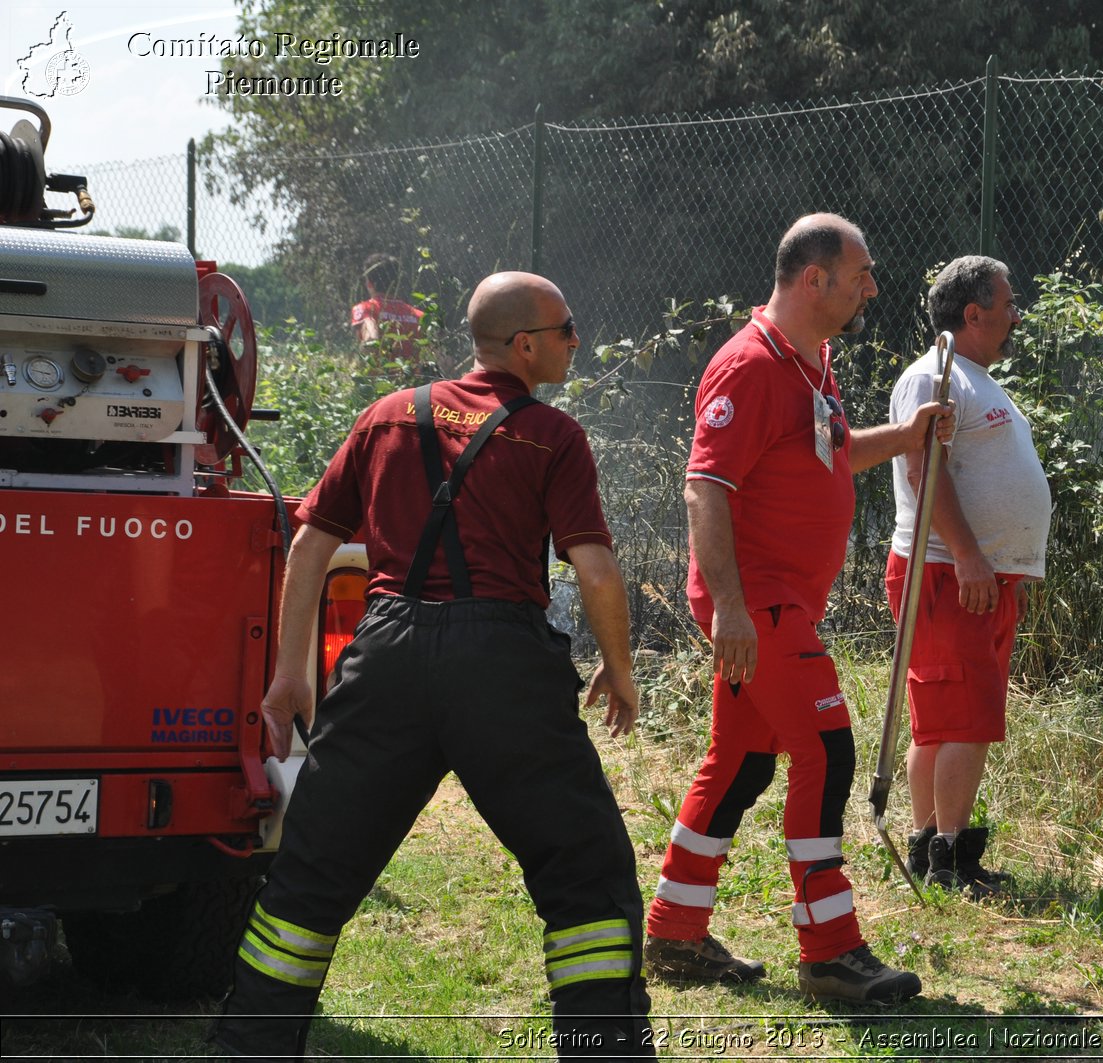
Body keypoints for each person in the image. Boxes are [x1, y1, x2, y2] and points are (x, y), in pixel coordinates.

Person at [213, 272, 654, 1060]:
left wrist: (289, 676)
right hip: (504, 666)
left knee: (309, 877)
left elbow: (310, 544)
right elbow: (593, 570)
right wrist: (618, 667)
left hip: (387, 661)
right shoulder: (552, 437)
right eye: (566, 328)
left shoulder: (387, 415)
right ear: (525, 345)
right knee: (587, 876)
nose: (575, 342)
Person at [643, 213, 949, 1004]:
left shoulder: (813, 363)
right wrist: (732, 611)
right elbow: (705, 486)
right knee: (827, 750)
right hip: (761, 608)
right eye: (860, 274)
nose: (871, 288)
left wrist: (908, 435)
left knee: (740, 763)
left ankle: (674, 934)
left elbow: (834, 452)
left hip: (777, 607)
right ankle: (829, 952)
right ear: (813, 280)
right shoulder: (748, 366)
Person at [886, 256, 1051, 896]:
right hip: (949, 574)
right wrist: (969, 557)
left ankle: (933, 850)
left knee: (945, 717)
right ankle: (949, 859)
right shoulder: (934, 378)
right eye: (1007, 304)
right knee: (965, 719)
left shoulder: (974, 378)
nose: (1016, 316)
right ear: (973, 313)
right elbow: (926, 473)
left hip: (971, 576)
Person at [351, 252, 427, 366]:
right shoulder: (420, 316)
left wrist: (356, 365)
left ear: (369, 283)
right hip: (415, 381)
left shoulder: (365, 308)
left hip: (377, 381)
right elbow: (443, 360)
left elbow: (371, 339)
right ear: (397, 282)